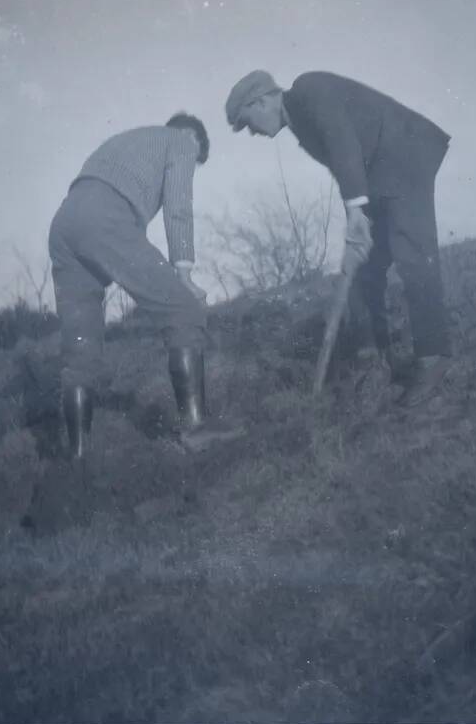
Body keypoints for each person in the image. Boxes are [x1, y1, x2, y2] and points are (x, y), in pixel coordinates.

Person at [225, 70, 452, 406]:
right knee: (361, 269)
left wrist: (357, 209)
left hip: (405, 155)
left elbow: (343, 142)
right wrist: (355, 217)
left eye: (248, 123)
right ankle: (372, 361)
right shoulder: (299, 120)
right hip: (378, 173)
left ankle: (433, 360)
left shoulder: (308, 91)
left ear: (261, 102)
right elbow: (343, 162)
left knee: (414, 257)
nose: (253, 133)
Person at [48, 113, 243, 458]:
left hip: (64, 224)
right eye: (195, 163)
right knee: (183, 308)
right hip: (103, 218)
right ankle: (196, 428)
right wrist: (183, 274)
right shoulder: (181, 141)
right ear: (192, 138)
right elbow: (178, 207)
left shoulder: (127, 141)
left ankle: (78, 459)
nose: (190, 167)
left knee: (80, 350)